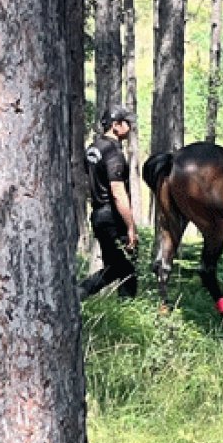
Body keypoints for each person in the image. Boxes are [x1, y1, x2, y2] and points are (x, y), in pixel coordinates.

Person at [78, 105, 138, 300]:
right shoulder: (114, 153)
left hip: (98, 216)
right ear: (115, 125)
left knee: (116, 267)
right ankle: (78, 293)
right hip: (112, 217)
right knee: (126, 270)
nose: (130, 127)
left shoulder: (93, 148)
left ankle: (80, 293)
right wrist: (130, 227)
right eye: (127, 123)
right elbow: (118, 192)